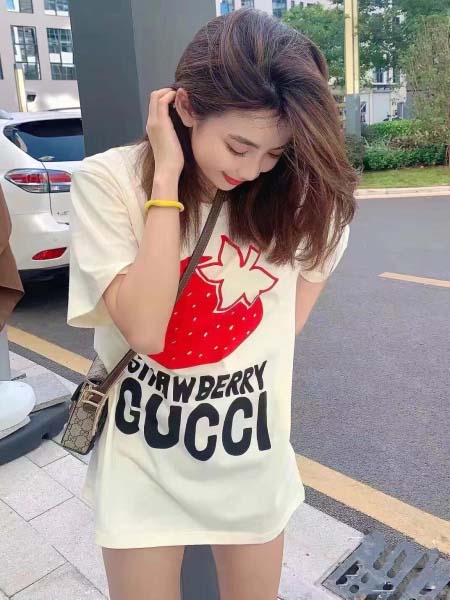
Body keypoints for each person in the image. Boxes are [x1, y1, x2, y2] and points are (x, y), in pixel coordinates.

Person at [67, 8, 357, 600]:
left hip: (249, 462)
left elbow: (279, 333)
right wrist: (166, 180)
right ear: (187, 106)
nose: (250, 171)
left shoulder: (300, 204)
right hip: (142, 462)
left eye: (274, 154)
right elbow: (146, 330)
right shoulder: (109, 182)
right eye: (238, 146)